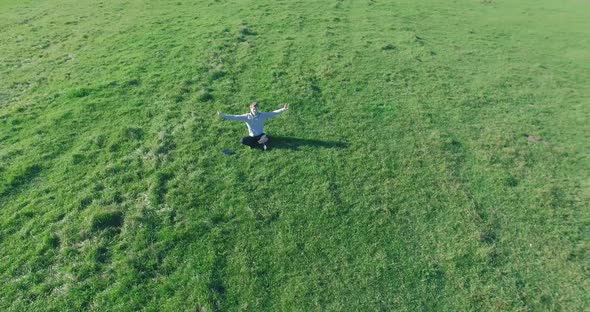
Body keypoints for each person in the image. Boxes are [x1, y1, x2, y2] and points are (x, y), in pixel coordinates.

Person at [218, 102, 289, 150]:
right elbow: (235, 117)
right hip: (252, 137)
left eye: (256, 109)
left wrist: (283, 109)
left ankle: (256, 144)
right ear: (250, 109)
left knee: (266, 137)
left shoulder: (262, 115)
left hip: (261, 135)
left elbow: (272, 113)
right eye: (253, 109)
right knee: (242, 140)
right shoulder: (246, 116)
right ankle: (258, 144)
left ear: (258, 108)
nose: (255, 110)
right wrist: (223, 115)